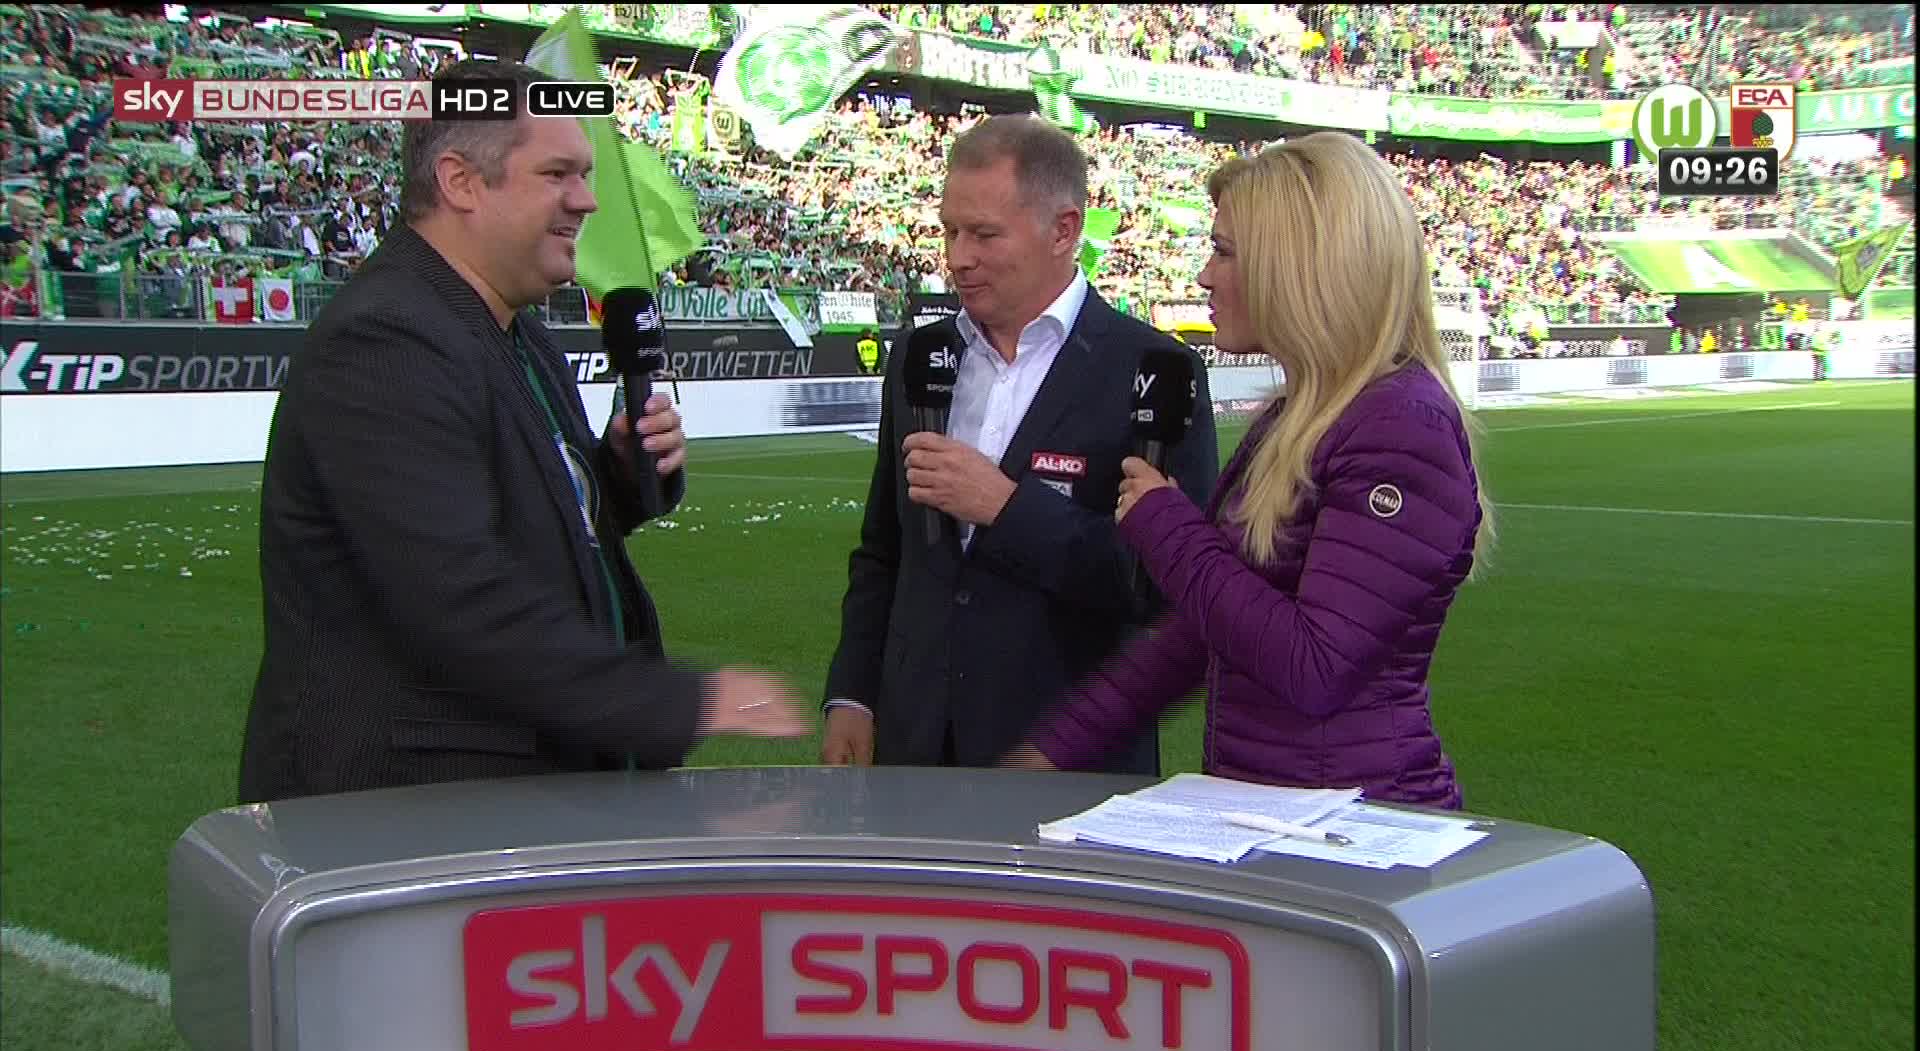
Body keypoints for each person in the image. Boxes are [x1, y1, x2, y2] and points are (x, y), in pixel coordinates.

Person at [238, 60, 807, 803]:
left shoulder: (516, 333)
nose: (587, 200)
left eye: (586, 175)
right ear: (461, 182)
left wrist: (613, 475)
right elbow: (457, 597)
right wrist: (684, 702)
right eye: (558, 174)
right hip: (406, 813)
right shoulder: (386, 340)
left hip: (500, 801)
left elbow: (525, 520)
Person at [1007, 133, 1495, 809]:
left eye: (1225, 251)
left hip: (1358, 824)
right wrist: (1058, 747)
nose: (1204, 276)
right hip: (1280, 815)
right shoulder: (1303, 416)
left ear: (1297, 266)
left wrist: (1166, 526)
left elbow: (1315, 666)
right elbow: (1201, 632)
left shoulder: (1400, 425)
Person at [820, 113, 1219, 774]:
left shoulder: (1155, 370)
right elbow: (884, 550)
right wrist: (853, 694)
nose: (958, 257)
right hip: (916, 752)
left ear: (1063, 230)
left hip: (1065, 758)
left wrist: (1007, 508)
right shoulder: (922, 355)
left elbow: (1166, 589)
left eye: (983, 234)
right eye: (949, 230)